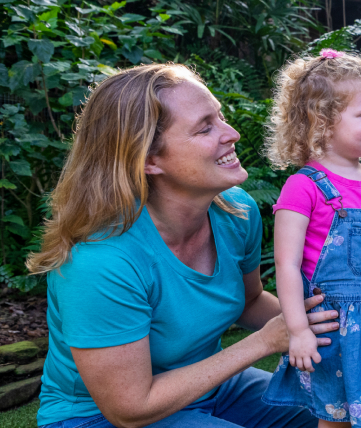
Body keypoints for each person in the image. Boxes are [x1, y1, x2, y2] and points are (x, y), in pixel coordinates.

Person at [26, 64, 338, 428]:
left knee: (335, 411)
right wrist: (265, 343)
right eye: (205, 127)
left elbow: (250, 301)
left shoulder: (236, 212)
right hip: (98, 416)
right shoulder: (100, 261)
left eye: (220, 117)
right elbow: (130, 408)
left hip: (212, 387)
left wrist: (328, 324)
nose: (232, 133)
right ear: (148, 160)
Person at [261, 49, 361, 428]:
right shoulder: (304, 187)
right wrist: (297, 330)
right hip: (331, 328)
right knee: (334, 419)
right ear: (323, 121)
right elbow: (287, 265)